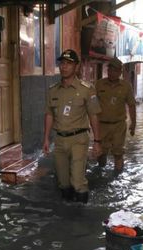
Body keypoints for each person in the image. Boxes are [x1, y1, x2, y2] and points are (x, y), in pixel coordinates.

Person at [42, 49, 102, 203]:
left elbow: (93, 115)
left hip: (79, 139)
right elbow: (49, 114)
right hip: (60, 140)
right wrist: (46, 139)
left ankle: (82, 217)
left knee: (77, 181)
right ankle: (67, 215)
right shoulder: (53, 90)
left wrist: (97, 141)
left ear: (76, 67)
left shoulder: (86, 89)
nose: (64, 67)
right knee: (63, 182)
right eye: (62, 63)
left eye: (69, 64)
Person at [95, 57, 136, 172]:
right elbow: (92, 104)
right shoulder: (99, 84)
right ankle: (100, 170)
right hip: (102, 125)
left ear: (120, 72)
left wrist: (133, 123)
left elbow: (131, 105)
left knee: (118, 153)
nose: (111, 73)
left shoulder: (126, 86)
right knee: (101, 154)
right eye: (110, 70)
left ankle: (117, 176)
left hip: (119, 125)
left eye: (115, 70)